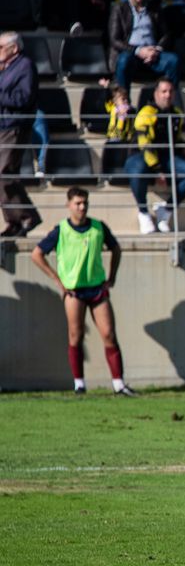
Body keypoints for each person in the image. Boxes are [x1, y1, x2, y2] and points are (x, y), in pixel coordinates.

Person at [29, 187, 134, 397]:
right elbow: (37, 254)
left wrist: (111, 277)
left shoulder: (98, 227)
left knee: (109, 334)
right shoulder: (61, 230)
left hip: (96, 288)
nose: (82, 207)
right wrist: (58, 281)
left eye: (85, 203)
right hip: (74, 291)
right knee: (75, 335)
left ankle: (118, 384)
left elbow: (116, 248)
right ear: (69, 205)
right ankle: (79, 384)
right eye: (77, 203)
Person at [126, 78, 185, 234]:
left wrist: (183, 149)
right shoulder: (146, 113)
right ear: (156, 94)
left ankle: (166, 209)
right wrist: (158, 169)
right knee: (137, 170)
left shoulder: (177, 114)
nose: (167, 95)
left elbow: (176, 137)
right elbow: (144, 144)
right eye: (163, 91)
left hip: (165, 157)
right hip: (141, 156)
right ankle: (143, 212)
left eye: (170, 92)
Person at [0, 31, 40, 239]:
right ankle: (14, 222)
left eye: (0, 47)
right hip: (4, 126)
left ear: (13, 48)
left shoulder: (25, 66)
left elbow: (23, 97)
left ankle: (27, 216)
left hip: (15, 126)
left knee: (4, 172)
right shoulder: (7, 68)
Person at [109, 0, 180, 89]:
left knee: (173, 60)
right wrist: (138, 51)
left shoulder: (155, 8)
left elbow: (166, 34)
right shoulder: (119, 9)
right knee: (123, 61)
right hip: (131, 54)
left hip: (153, 55)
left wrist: (156, 50)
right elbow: (115, 40)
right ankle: (123, 102)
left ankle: (169, 100)